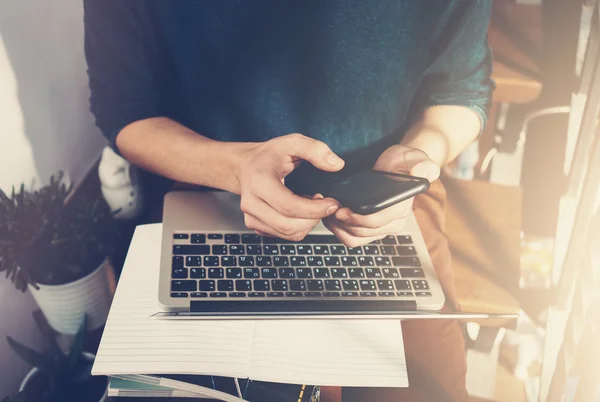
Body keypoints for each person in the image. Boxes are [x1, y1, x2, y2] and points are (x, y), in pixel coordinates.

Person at [84, 1, 494, 400]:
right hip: (209, 191)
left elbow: (460, 91)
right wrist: (237, 166)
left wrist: (419, 156)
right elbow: (125, 111)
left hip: (385, 205)